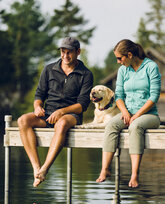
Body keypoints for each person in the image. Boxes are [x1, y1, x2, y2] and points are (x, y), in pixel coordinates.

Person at [18, 37, 93, 187]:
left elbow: (82, 105)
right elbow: (39, 95)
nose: (65, 56)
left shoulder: (86, 74)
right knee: (22, 120)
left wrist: (62, 112)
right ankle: (36, 168)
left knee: (62, 122)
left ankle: (45, 168)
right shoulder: (49, 69)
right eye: (63, 52)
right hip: (47, 115)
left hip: (71, 116)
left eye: (69, 52)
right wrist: (37, 107)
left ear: (78, 52)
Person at [96, 39, 161, 187]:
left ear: (130, 55)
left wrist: (137, 115)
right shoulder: (123, 70)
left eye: (120, 58)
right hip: (128, 113)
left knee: (135, 126)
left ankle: (134, 174)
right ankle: (105, 169)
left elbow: (154, 96)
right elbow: (118, 95)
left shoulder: (150, 67)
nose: (118, 62)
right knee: (111, 124)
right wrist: (125, 112)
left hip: (149, 115)